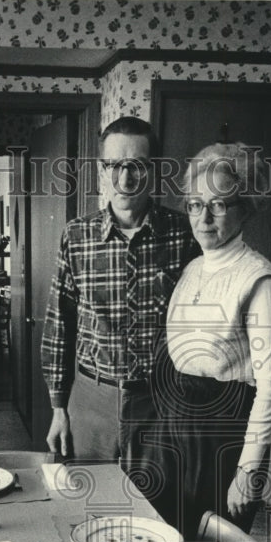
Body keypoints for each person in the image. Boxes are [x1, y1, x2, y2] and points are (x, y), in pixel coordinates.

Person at [41, 116, 197, 472]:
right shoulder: (76, 236)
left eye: (137, 165)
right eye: (114, 165)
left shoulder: (184, 234)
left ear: (154, 170)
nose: (125, 179)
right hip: (91, 398)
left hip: (161, 401)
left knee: (154, 501)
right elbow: (58, 326)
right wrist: (58, 408)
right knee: (89, 497)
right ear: (102, 169)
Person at [150, 142, 271, 541]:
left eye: (219, 204)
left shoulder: (259, 281)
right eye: (195, 204)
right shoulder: (193, 268)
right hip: (177, 428)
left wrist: (247, 469)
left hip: (223, 438)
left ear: (246, 208)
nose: (204, 217)